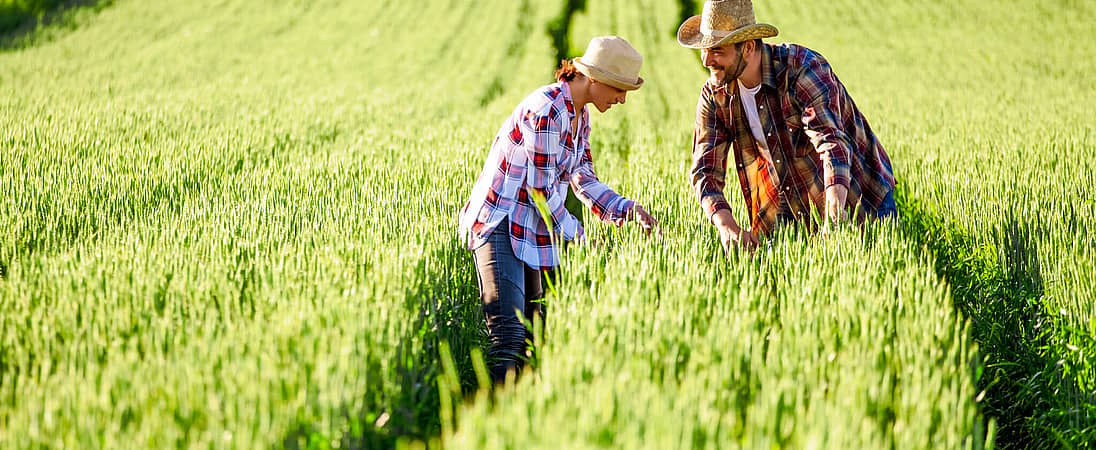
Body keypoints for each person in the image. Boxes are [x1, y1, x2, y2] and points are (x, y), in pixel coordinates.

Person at [458, 36, 660, 384]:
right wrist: (581, 240)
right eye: (620, 88)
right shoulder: (548, 109)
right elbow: (541, 191)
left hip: (532, 231)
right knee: (509, 339)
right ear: (594, 79)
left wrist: (626, 209)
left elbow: (582, 178)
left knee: (538, 337)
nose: (622, 99)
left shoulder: (580, 117)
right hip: (501, 224)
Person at [678, 0, 896, 254]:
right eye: (705, 49)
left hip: (859, 198)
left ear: (747, 47)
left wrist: (835, 216)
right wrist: (727, 226)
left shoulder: (801, 69)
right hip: (790, 207)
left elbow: (831, 145)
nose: (706, 59)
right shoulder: (715, 94)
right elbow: (705, 171)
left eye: (717, 50)